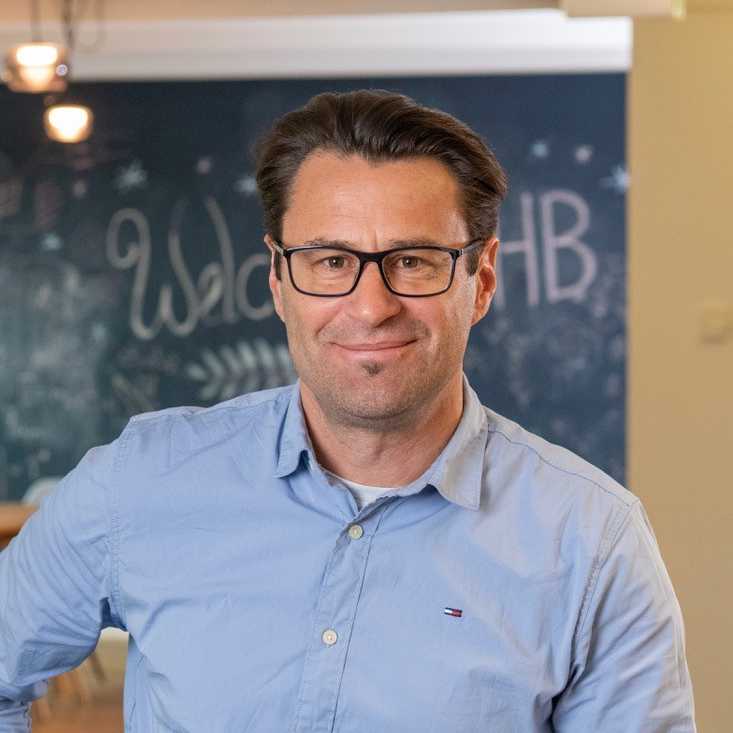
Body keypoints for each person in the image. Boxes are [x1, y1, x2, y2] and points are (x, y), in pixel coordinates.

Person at [0, 89, 696, 732]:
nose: (370, 306)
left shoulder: (592, 541)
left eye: (415, 261)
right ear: (278, 280)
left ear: (480, 280)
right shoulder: (140, 480)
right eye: (330, 261)